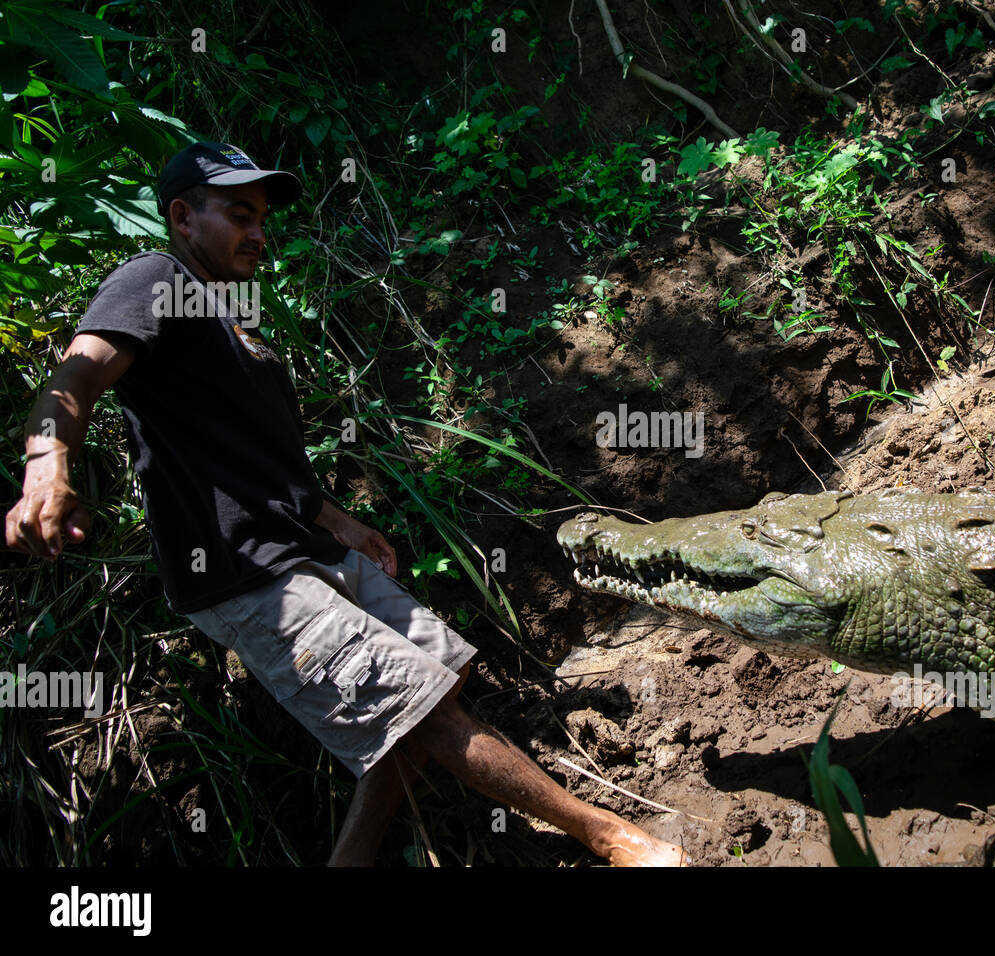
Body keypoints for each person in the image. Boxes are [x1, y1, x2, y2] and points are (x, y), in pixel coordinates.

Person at [5, 141, 686, 867]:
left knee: (443, 670)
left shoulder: (233, 321)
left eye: (263, 217)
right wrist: (47, 465)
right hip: (248, 574)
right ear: (181, 215)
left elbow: (257, 458)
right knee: (420, 710)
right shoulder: (152, 279)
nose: (259, 233)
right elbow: (73, 379)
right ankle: (607, 835)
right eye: (240, 214)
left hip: (304, 544)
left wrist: (337, 520)